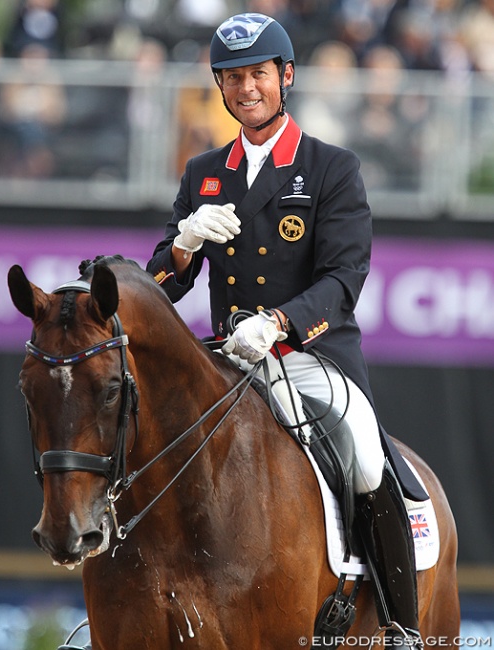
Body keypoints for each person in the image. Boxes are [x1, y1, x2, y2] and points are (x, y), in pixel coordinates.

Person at [147, 12, 426, 645]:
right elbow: (162, 282)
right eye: (234, 77)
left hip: (310, 355)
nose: (247, 89)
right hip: (228, 358)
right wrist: (186, 245)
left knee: (362, 450)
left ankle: (402, 623)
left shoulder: (332, 168)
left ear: (286, 76)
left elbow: (345, 277)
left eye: (259, 75)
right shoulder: (202, 173)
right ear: (221, 86)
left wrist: (278, 323)